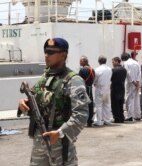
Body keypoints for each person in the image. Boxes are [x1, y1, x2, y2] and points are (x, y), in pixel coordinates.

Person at [18, 38, 90, 166]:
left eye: (51, 52)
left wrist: (60, 132)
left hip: (60, 143)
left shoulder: (73, 80)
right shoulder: (45, 78)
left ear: (63, 55)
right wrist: (23, 103)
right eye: (46, 52)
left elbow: (81, 115)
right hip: (40, 140)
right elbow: (35, 99)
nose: (46, 55)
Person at [121, 52, 141, 121]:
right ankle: (137, 115)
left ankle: (129, 116)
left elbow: (128, 73)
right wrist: (137, 82)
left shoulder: (126, 63)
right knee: (136, 99)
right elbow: (139, 73)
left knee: (129, 99)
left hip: (130, 83)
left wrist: (133, 82)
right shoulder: (136, 62)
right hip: (137, 83)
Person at [93, 56, 112, 126]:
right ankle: (107, 120)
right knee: (107, 105)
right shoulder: (109, 69)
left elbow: (95, 79)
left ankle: (99, 121)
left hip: (100, 88)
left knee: (98, 105)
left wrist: (94, 83)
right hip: (107, 89)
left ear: (99, 61)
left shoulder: (97, 69)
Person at [79, 56, 95, 127]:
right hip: (90, 88)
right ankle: (90, 120)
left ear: (85, 61)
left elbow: (79, 80)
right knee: (90, 104)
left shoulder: (83, 70)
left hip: (84, 89)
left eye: (81, 61)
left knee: (83, 105)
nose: (80, 62)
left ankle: (84, 120)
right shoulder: (92, 69)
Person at [111, 57, 127, 123]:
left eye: (113, 62)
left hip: (114, 88)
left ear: (117, 61)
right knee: (120, 103)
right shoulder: (124, 69)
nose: (112, 63)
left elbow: (111, 79)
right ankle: (121, 117)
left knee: (115, 104)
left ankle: (117, 118)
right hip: (122, 87)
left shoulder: (113, 70)